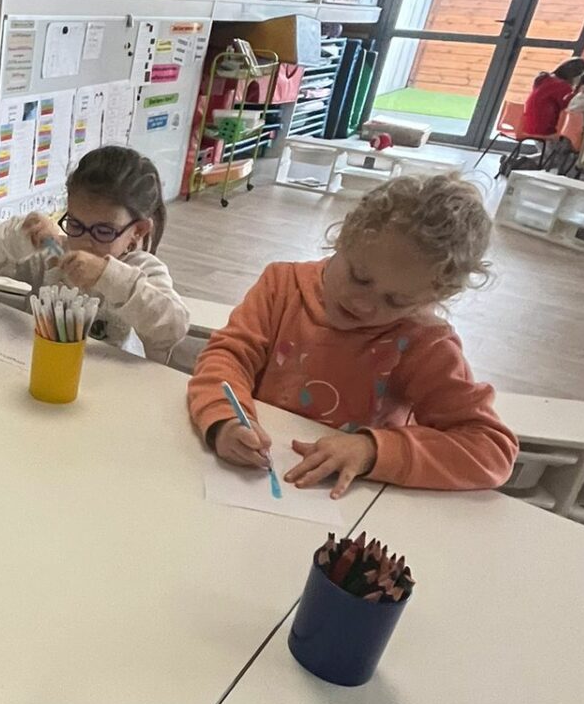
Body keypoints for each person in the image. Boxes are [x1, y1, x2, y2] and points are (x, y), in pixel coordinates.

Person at [189, 172, 517, 495]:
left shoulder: (425, 342)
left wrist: (371, 451)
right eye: (359, 277)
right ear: (344, 236)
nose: (363, 304)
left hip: (350, 502)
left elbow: (491, 449)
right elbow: (227, 357)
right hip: (252, 477)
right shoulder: (282, 287)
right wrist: (224, 421)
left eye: (396, 301)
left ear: (432, 299)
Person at [0, 145, 190, 357]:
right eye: (75, 224)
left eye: (103, 231)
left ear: (137, 231)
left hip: (105, 381)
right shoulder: (52, 255)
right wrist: (20, 237)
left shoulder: (142, 269)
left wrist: (107, 276)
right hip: (35, 365)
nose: (85, 242)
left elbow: (173, 329)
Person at [519, 56, 584, 137]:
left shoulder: (545, 79)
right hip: (544, 133)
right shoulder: (562, 86)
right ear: (577, 76)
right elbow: (573, 107)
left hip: (528, 128)